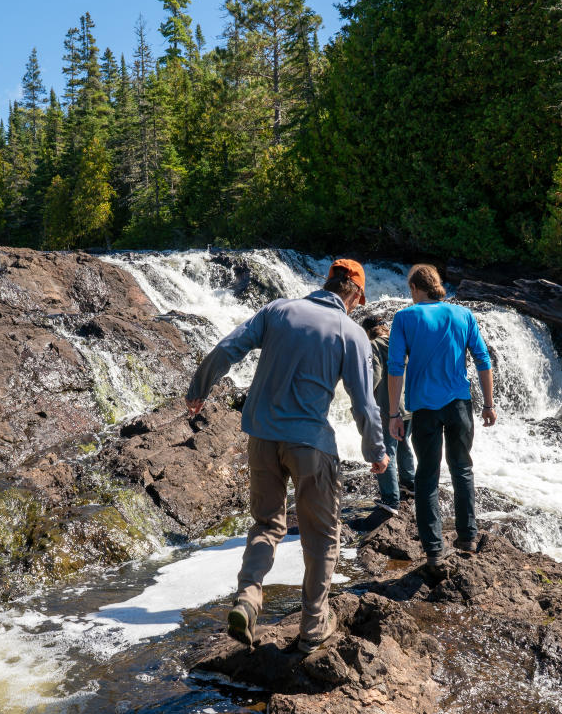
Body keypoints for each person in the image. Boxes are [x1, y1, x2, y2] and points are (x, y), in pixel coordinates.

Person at [186, 259, 389, 653]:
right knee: (322, 534)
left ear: (326, 282)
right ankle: (313, 625)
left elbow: (228, 348)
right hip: (310, 443)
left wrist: (199, 388)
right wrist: (375, 450)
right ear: (357, 296)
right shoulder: (351, 332)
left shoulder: (278, 309)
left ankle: (247, 598)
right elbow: (364, 404)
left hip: (261, 436)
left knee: (266, 523)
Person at [386, 264, 496, 572]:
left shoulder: (405, 318)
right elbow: (482, 359)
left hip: (423, 409)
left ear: (415, 288)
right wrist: (488, 404)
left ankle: (434, 550)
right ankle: (468, 538)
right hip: (460, 404)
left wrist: (394, 413)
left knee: (427, 475)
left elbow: (395, 367)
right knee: (462, 468)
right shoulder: (463, 315)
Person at [361, 315, 416, 515]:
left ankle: (390, 499)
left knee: (386, 450)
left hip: (388, 407)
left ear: (368, 332)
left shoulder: (373, 345)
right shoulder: (401, 343)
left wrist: (365, 399)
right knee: (404, 443)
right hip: (409, 405)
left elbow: (374, 375)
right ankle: (409, 484)